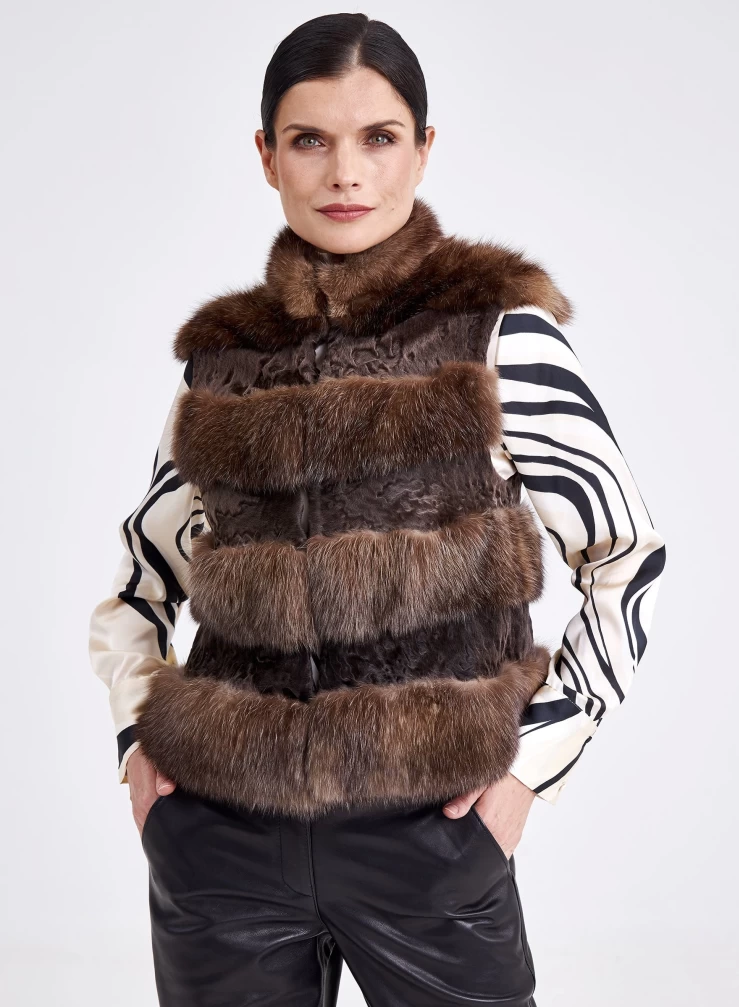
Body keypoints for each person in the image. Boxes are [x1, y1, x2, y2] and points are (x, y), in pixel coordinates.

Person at [88, 12, 666, 1006]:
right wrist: (140, 745)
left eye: (379, 137)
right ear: (267, 156)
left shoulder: (497, 332)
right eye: (310, 139)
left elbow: (627, 560)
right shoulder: (221, 361)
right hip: (221, 844)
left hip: (430, 841)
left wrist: (526, 770)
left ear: (424, 149)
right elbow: (144, 578)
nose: (346, 173)